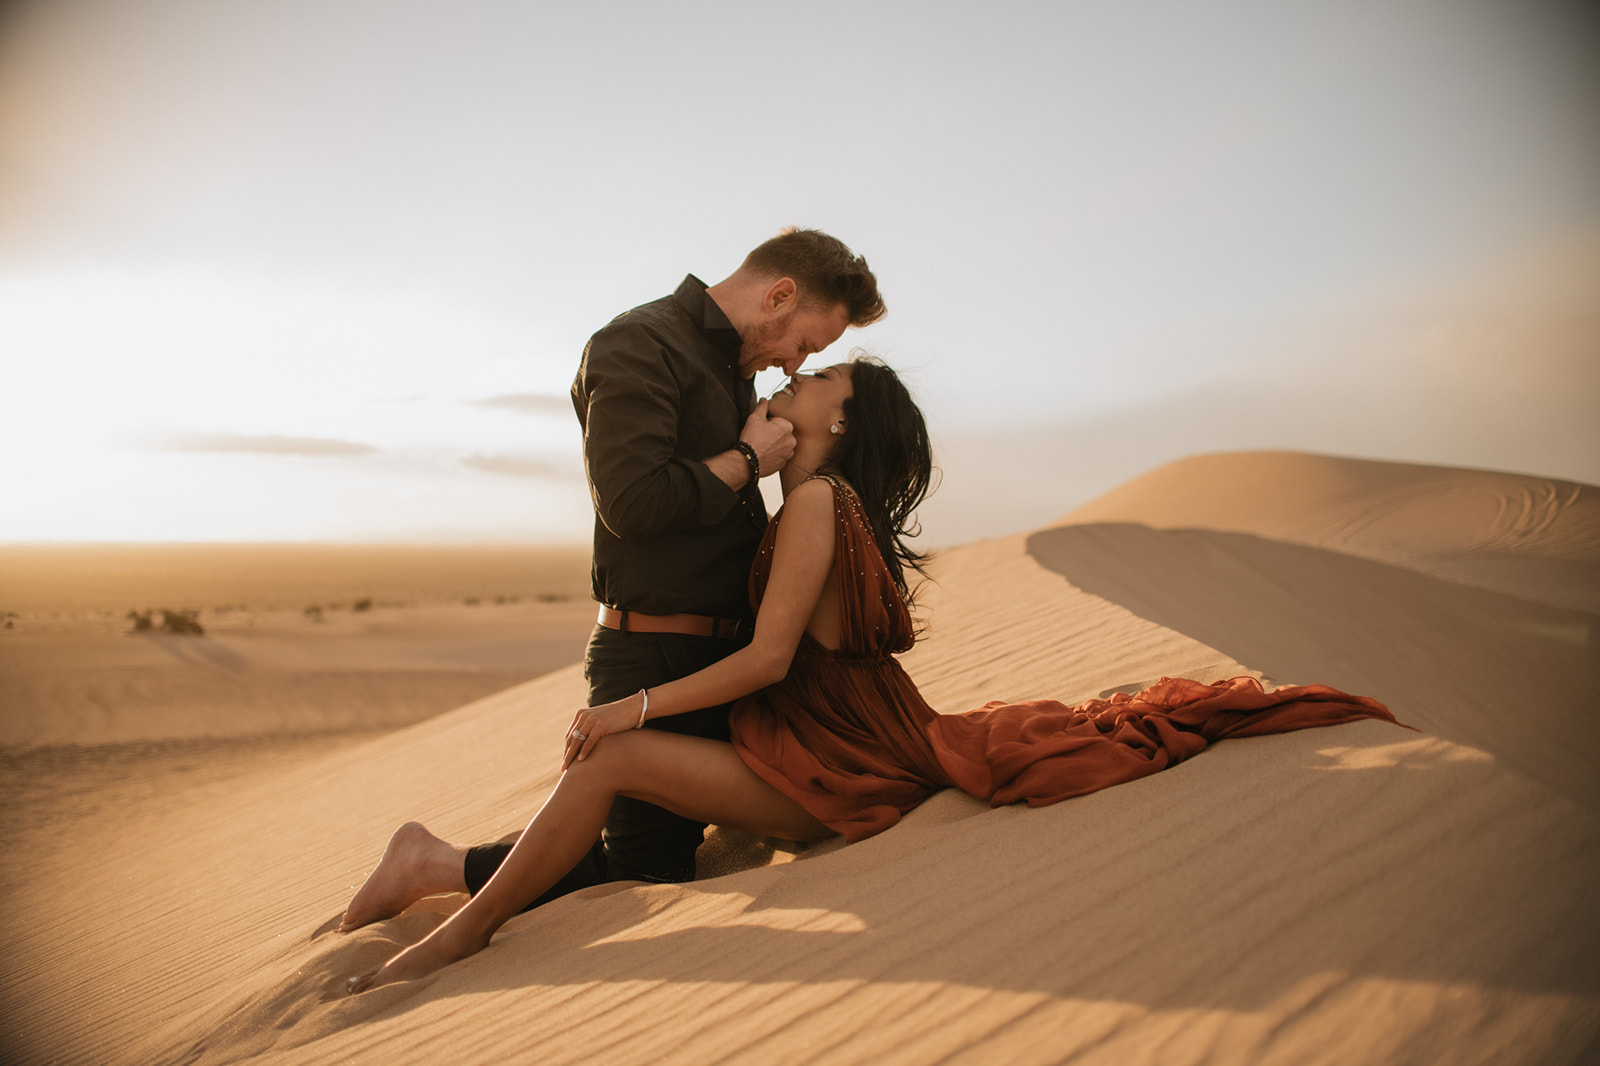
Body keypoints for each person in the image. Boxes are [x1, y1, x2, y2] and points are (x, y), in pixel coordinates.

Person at [343, 355, 1397, 994]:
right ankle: (437, 870)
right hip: (832, 746)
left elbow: (765, 657)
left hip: (836, 767)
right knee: (624, 806)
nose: (793, 384)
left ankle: (451, 939)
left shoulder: (813, 505)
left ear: (836, 424)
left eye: (813, 383)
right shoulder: (823, 501)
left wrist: (634, 701)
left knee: (603, 766)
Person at [414, 228, 886, 914]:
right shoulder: (640, 344)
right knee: (641, 875)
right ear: (778, 295)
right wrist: (748, 461)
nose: (795, 364)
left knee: (669, 841)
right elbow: (631, 503)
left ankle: (468, 859)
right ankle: (434, 862)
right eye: (806, 344)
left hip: (723, 662)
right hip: (654, 652)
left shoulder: (738, 367)